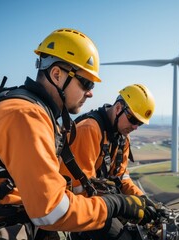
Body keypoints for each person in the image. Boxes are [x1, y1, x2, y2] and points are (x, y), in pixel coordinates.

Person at [0, 28, 153, 239]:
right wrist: (116, 204)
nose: (90, 92)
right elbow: (52, 211)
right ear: (57, 74)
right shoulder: (25, 116)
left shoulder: (40, 113)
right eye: (85, 82)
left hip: (8, 217)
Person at [60, 84, 158, 240]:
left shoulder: (122, 138)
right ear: (118, 108)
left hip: (104, 204)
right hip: (81, 208)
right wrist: (122, 205)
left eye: (139, 123)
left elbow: (122, 179)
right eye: (133, 119)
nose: (135, 127)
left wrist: (144, 201)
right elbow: (80, 189)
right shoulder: (89, 129)